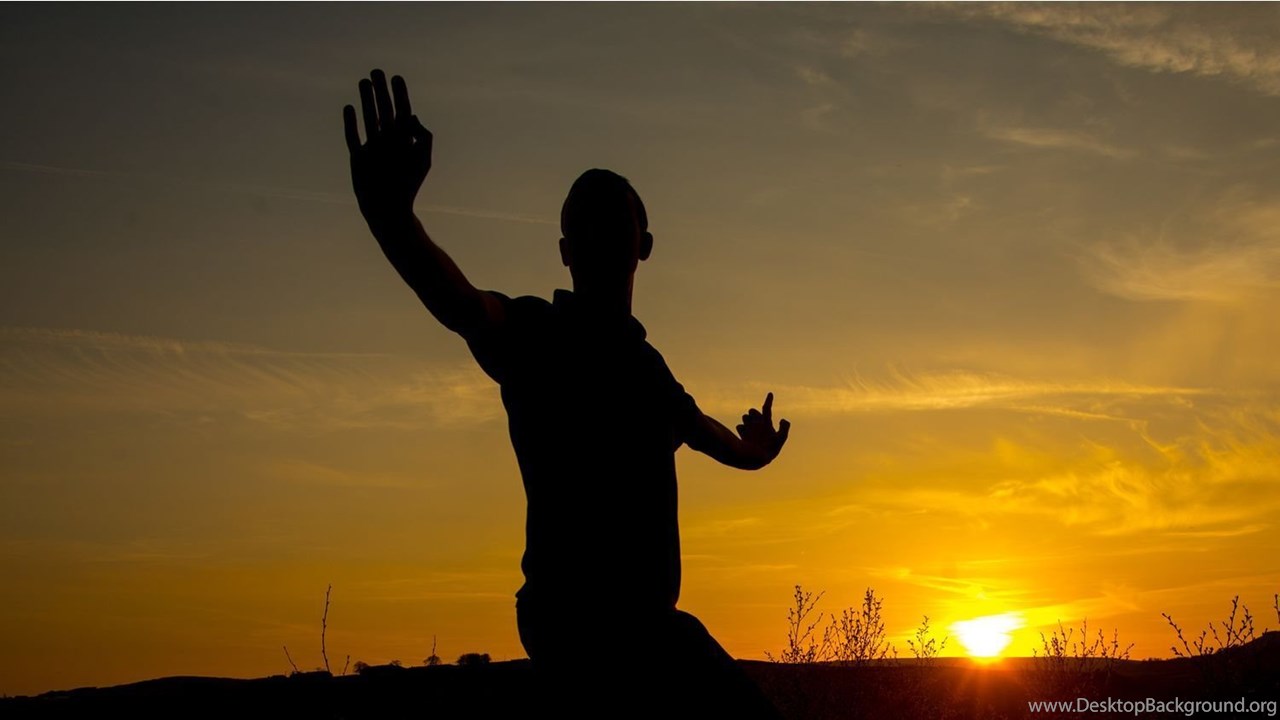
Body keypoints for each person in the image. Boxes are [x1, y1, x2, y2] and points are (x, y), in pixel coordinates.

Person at [343, 68, 790, 719]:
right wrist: (392, 220)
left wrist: (757, 452)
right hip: (577, 627)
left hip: (642, 629)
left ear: (643, 245)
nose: (601, 233)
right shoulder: (538, 335)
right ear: (565, 250)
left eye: (614, 220)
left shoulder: (647, 371)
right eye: (587, 223)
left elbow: (706, 433)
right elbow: (460, 303)